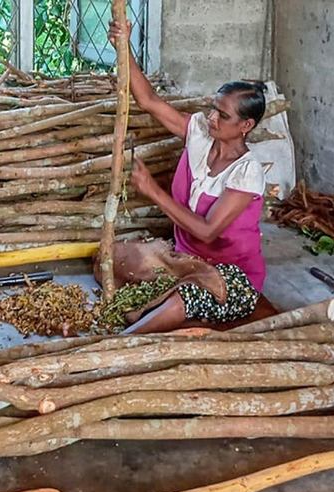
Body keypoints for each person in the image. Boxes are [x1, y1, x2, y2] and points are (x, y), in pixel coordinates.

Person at [108, 20, 267, 334]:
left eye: (223, 115)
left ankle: (120, 342)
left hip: (231, 274)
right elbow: (149, 101)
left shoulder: (248, 173)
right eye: (213, 109)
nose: (212, 118)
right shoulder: (198, 133)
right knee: (113, 256)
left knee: (185, 298)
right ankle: (173, 315)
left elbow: (207, 231)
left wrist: (154, 192)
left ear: (246, 126)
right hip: (183, 260)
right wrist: (123, 45)